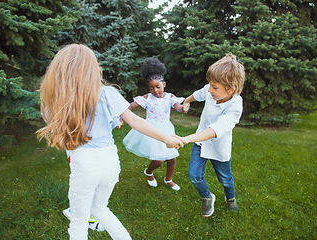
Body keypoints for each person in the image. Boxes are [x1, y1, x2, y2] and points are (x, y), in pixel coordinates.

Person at [36, 44, 182, 240]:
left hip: (84, 164)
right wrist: (166, 138)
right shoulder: (107, 93)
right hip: (110, 163)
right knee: (101, 210)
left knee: (78, 223)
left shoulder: (57, 99)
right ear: (93, 69)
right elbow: (136, 121)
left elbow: (56, 126)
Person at [175, 53, 245, 217]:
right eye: (210, 85)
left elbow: (215, 130)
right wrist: (186, 101)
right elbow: (197, 94)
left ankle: (231, 198)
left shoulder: (235, 105)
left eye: (215, 87)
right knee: (194, 175)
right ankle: (207, 197)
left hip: (219, 147)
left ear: (231, 89)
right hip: (200, 142)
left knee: (225, 178)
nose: (209, 89)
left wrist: (186, 139)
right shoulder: (209, 90)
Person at [123, 58, 186, 191]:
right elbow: (130, 107)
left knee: (172, 158)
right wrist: (121, 115)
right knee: (159, 160)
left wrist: (184, 108)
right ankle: (149, 172)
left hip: (167, 130)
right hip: (151, 131)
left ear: (164, 84)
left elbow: (178, 107)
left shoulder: (170, 97)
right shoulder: (147, 98)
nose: (155, 90)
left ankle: (168, 179)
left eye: (158, 86)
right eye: (151, 88)